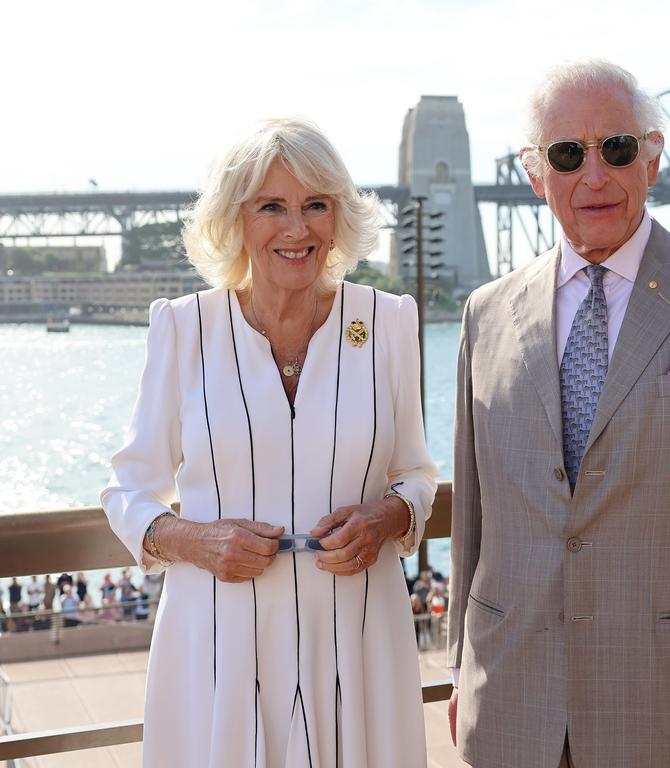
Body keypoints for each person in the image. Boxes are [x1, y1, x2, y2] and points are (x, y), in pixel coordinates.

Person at [447, 60, 670, 768]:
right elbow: (474, 515)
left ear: (653, 156)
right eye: (566, 154)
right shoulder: (483, 315)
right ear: (533, 172)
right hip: (511, 700)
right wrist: (461, 664)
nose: (595, 175)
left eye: (615, 148)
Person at [101, 117, 437, 767]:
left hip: (358, 638)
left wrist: (384, 517)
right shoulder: (183, 328)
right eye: (272, 207)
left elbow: (418, 475)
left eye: (316, 205)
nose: (297, 227)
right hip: (219, 644)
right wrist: (194, 540)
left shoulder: (387, 324)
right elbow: (128, 490)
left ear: (339, 218)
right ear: (236, 219)